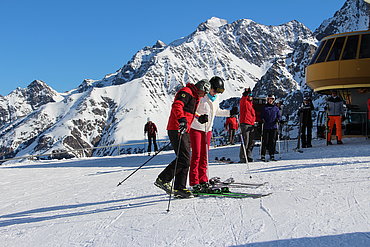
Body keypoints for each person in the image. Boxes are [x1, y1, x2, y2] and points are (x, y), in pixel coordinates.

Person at [154, 79, 211, 199]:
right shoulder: (186, 92)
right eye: (204, 92)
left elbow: (189, 112)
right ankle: (163, 179)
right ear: (200, 88)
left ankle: (180, 188)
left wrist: (198, 118)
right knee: (184, 158)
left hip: (184, 128)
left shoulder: (195, 96)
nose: (205, 94)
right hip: (177, 128)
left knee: (185, 158)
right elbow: (177, 106)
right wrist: (182, 120)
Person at [189, 76, 230, 193]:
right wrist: (199, 117)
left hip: (208, 130)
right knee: (196, 155)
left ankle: (203, 179)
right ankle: (194, 182)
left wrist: (230, 113)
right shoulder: (202, 97)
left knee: (204, 156)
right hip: (196, 128)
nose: (216, 93)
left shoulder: (215, 98)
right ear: (210, 87)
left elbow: (217, 111)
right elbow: (193, 111)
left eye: (219, 91)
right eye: (216, 90)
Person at [260, 94, 281, 161]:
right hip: (266, 126)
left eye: (271, 99)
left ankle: (272, 154)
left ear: (273, 100)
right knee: (265, 141)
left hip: (273, 126)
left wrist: (278, 119)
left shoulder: (276, 108)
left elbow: (279, 116)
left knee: (272, 141)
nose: (270, 100)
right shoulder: (264, 108)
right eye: (269, 99)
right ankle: (263, 154)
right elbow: (261, 115)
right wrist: (262, 119)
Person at [239, 88, 256, 163]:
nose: (250, 96)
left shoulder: (251, 104)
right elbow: (243, 100)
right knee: (245, 140)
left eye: (251, 95)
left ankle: (248, 155)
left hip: (251, 124)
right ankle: (243, 157)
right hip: (245, 123)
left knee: (251, 141)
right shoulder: (244, 102)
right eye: (249, 95)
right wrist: (245, 93)